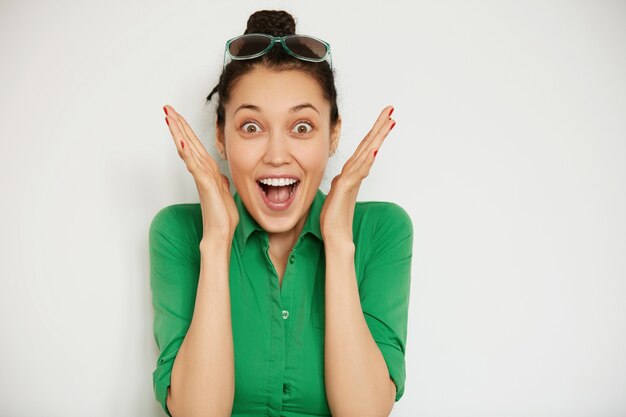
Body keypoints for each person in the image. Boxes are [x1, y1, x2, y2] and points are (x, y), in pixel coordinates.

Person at [149, 9, 413, 417]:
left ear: (333, 134)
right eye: (251, 127)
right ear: (221, 137)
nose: (275, 156)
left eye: (302, 127)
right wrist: (217, 243)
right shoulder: (179, 233)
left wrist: (340, 243)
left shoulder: (383, 231)